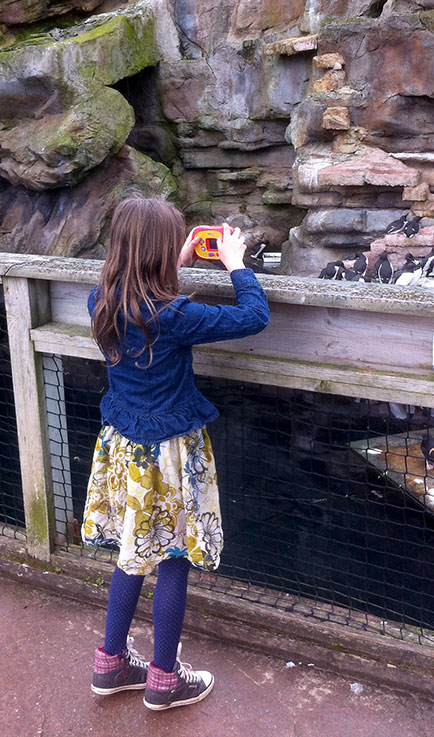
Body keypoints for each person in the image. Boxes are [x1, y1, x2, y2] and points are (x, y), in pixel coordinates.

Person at [80, 197, 270, 711]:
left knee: (130, 554)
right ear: (160, 256)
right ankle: (165, 680)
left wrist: (175, 264)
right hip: (169, 458)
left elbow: (144, 303)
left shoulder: (101, 297)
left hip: (122, 450)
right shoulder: (177, 315)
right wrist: (237, 266)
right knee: (174, 558)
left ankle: (110, 663)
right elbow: (254, 316)